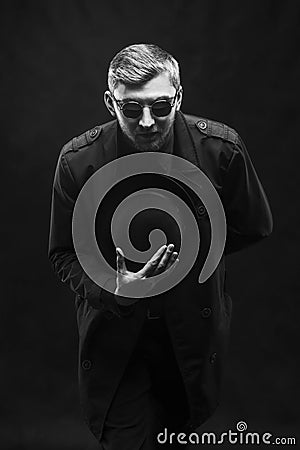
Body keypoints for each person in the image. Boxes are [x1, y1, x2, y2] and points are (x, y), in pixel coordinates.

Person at [48, 43, 273, 449]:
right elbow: (63, 253)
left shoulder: (221, 150)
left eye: (162, 105)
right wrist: (114, 285)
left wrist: (195, 253)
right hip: (116, 335)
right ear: (109, 102)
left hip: (190, 333)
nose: (148, 121)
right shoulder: (78, 162)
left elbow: (254, 225)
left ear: (179, 97)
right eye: (131, 109)